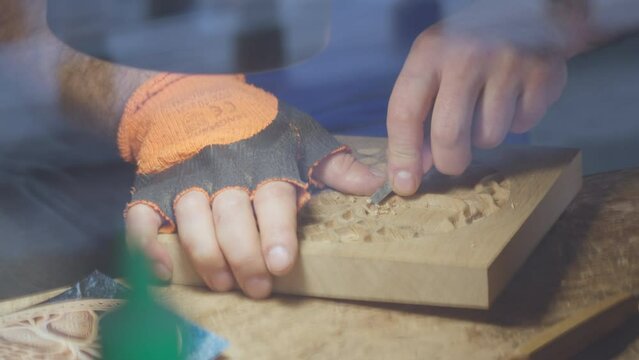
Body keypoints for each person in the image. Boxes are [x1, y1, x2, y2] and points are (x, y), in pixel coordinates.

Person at [2, 0, 637, 299]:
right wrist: (170, 99)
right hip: (177, 181)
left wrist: (552, 11)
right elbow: (19, 16)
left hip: (472, 162)